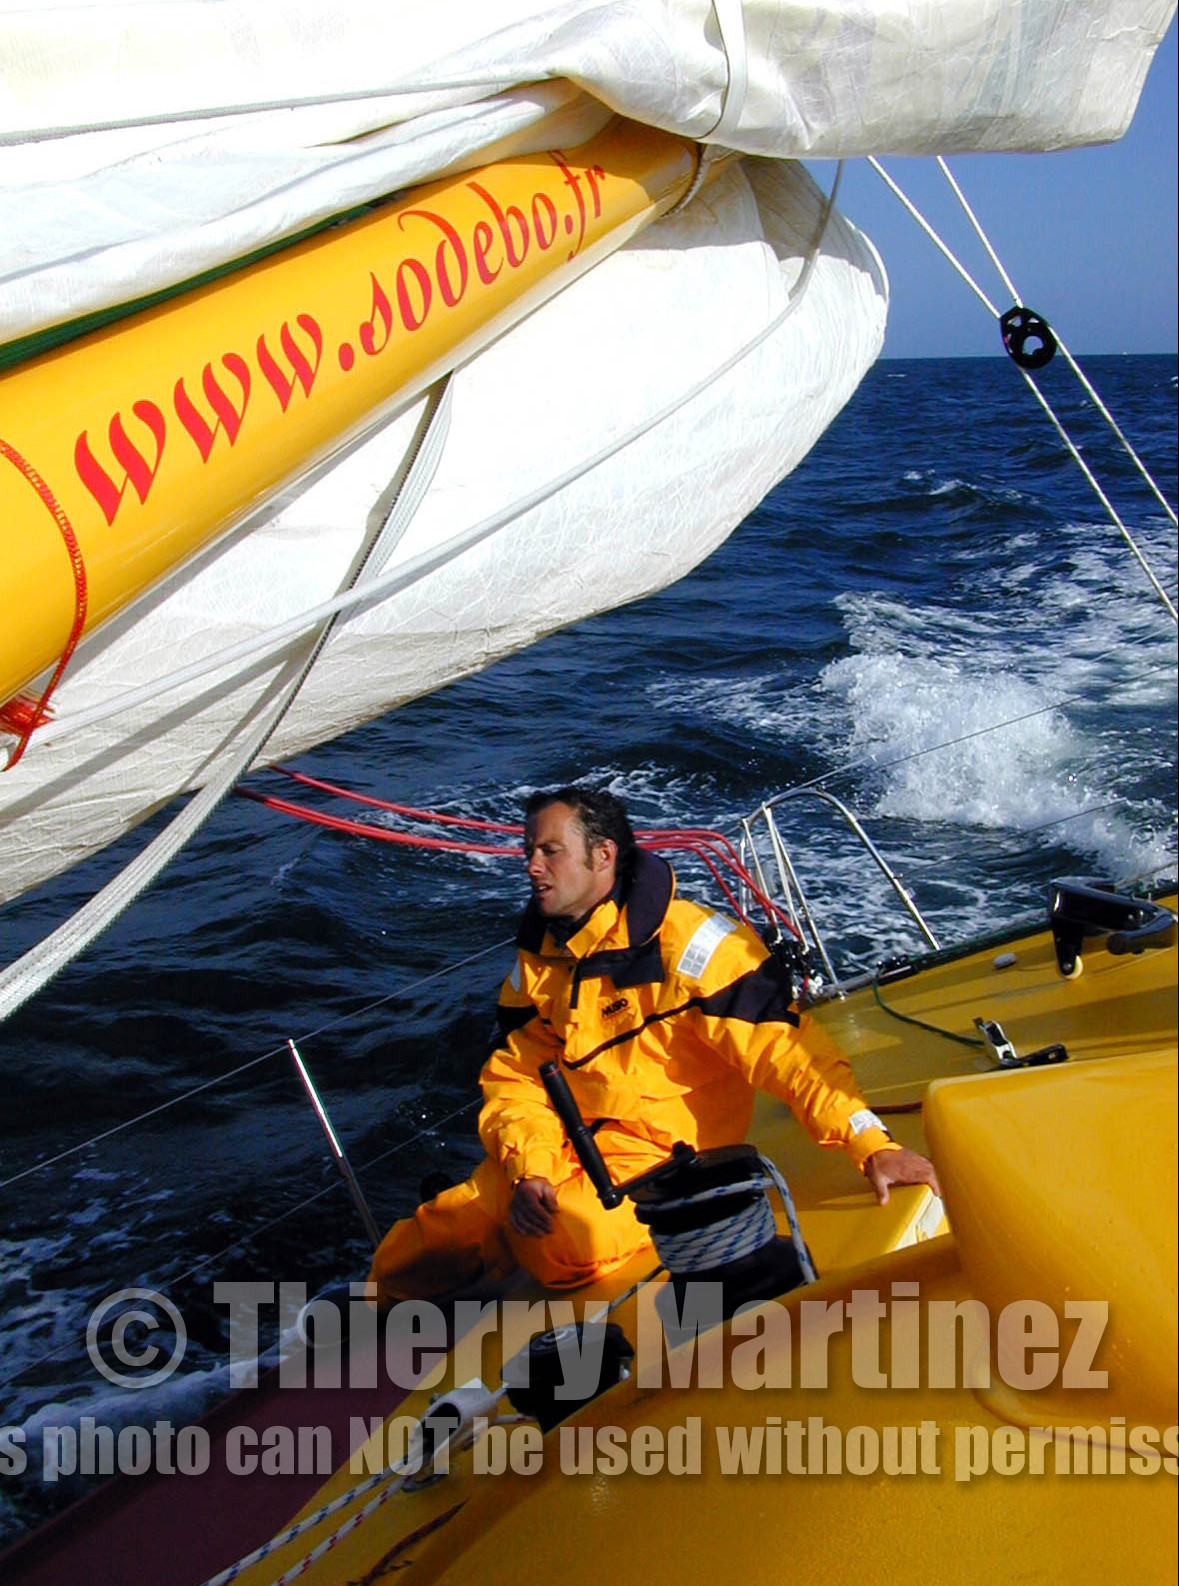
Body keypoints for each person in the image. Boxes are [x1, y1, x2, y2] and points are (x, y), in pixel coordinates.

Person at [369, 786, 940, 1305]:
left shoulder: (694, 947)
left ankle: (481, 1267)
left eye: (549, 851)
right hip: (571, 1145)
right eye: (528, 851)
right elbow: (516, 1078)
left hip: (666, 1157)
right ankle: (371, 1305)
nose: (531, 866)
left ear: (603, 856)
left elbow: (789, 1055)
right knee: (442, 1228)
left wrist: (871, 1145)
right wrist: (529, 1170)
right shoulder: (540, 959)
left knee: (561, 1241)